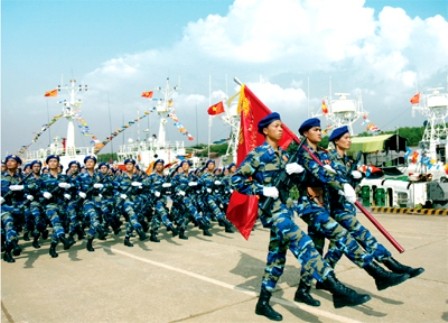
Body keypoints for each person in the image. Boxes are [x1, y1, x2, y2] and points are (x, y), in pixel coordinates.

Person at [231, 112, 371, 321]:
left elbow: (301, 181)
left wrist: (300, 173)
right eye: (276, 126)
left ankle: (263, 302)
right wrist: (262, 189)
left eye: (281, 125)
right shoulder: (257, 155)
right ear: (265, 130)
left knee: (276, 259)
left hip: (287, 210)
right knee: (304, 244)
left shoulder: (286, 156)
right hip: (274, 213)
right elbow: (235, 180)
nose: (281, 129)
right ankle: (336, 288)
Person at [294, 118, 410, 306]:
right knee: (343, 237)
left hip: (325, 206)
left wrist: (351, 178)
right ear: (306, 133)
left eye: (320, 129)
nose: (319, 132)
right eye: (315, 130)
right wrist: (342, 185)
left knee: (316, 251)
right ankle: (377, 273)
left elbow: (331, 173)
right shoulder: (304, 154)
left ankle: (303, 290)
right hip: (310, 205)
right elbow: (322, 173)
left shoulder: (320, 154)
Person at [323, 125, 424, 277]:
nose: (349, 141)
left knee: (337, 247)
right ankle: (392, 264)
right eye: (346, 138)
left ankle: (324, 276)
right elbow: (328, 182)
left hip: (348, 207)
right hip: (337, 209)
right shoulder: (328, 159)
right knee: (364, 235)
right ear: (336, 141)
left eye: (350, 137)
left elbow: (352, 184)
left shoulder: (349, 161)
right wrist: (341, 184)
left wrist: (358, 176)